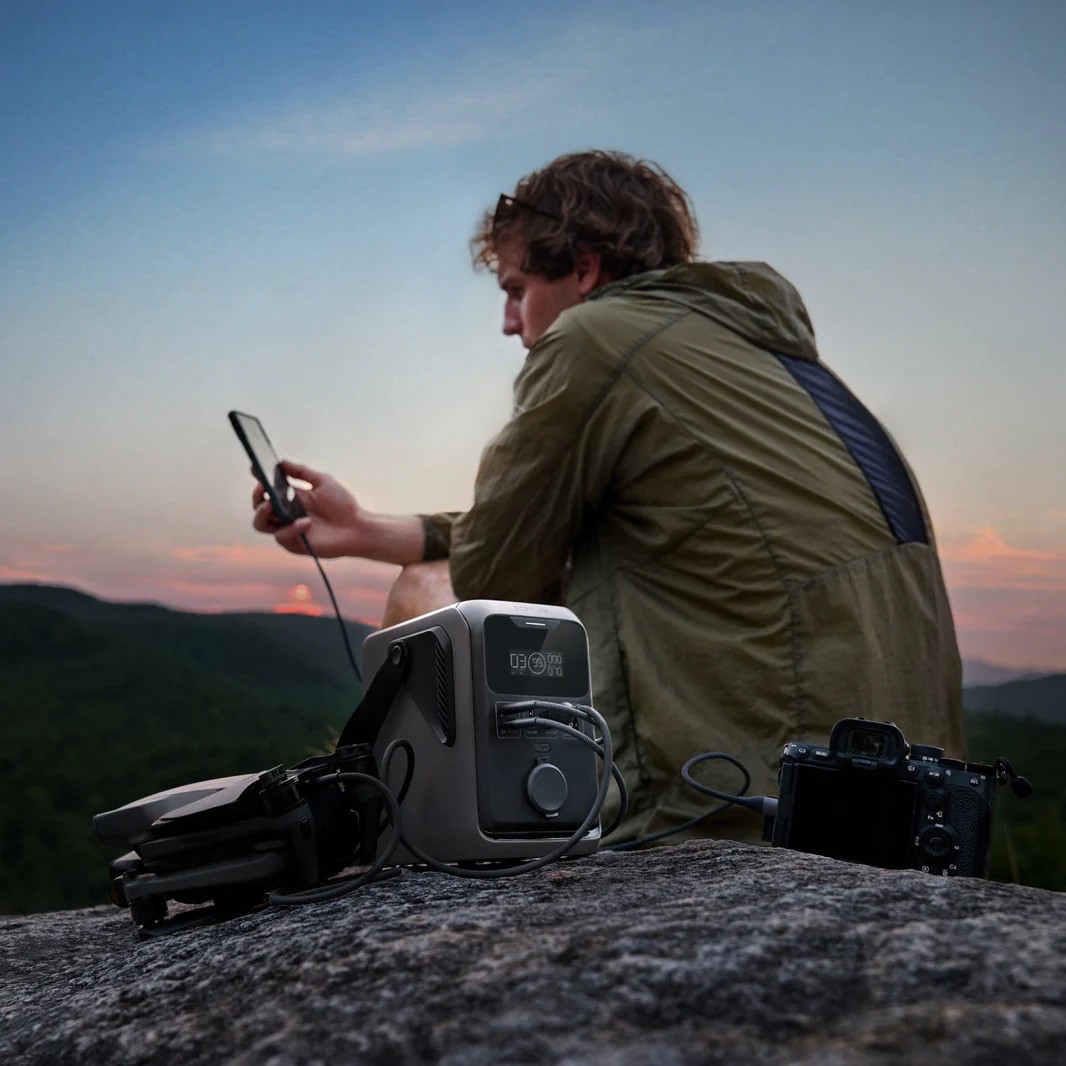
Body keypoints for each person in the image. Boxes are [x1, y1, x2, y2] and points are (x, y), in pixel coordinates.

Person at [252, 149, 966, 845]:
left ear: (585, 270)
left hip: (733, 802)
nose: (509, 321)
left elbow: (496, 573)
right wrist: (365, 529)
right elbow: (589, 527)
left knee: (426, 599)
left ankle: (386, 839)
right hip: (914, 811)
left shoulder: (593, 338)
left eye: (516, 289)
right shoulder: (775, 365)